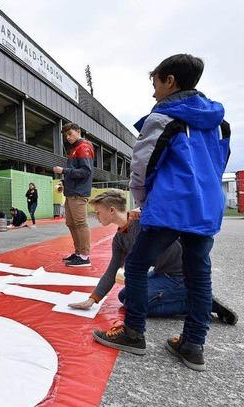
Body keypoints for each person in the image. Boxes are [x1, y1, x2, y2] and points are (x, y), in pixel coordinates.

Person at [93, 54, 232, 371]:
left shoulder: (161, 118)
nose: (154, 91)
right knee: (199, 273)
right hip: (206, 204)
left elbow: (142, 166)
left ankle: (133, 333)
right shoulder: (219, 124)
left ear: (170, 81)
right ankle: (193, 345)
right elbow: (216, 165)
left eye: (155, 82)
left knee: (138, 264)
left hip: (170, 203)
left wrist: (143, 201)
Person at [68, 191, 237, 325]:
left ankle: (200, 303)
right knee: (124, 297)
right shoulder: (119, 239)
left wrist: (145, 210)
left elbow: (167, 211)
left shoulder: (145, 221)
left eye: (98, 212)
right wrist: (92, 299)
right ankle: (193, 297)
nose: (96, 217)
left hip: (180, 275)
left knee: (136, 306)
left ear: (112, 210)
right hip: (161, 272)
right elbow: (112, 271)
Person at [53, 123, 94, 267]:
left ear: (78, 131)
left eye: (70, 134)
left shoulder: (83, 147)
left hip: (78, 193)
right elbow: (78, 171)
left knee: (81, 224)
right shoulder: (75, 149)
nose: (68, 137)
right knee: (71, 223)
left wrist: (64, 171)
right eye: (66, 135)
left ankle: (84, 256)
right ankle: (78, 253)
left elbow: (86, 171)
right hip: (71, 192)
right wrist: (66, 180)